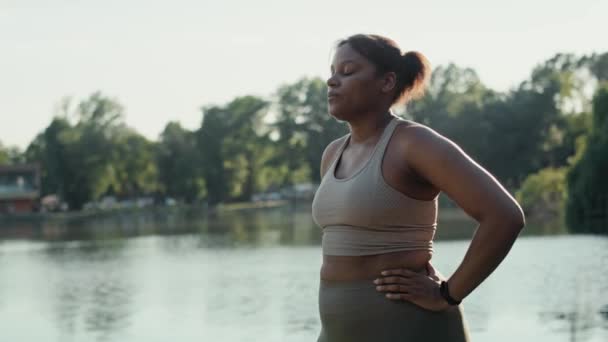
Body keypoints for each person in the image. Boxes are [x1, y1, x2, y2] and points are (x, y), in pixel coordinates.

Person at [311, 34, 526, 342]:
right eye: (332, 72)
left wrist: (448, 294)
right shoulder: (333, 153)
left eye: (347, 71)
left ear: (386, 82)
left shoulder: (413, 143)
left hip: (410, 327)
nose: (332, 81)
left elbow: (505, 216)